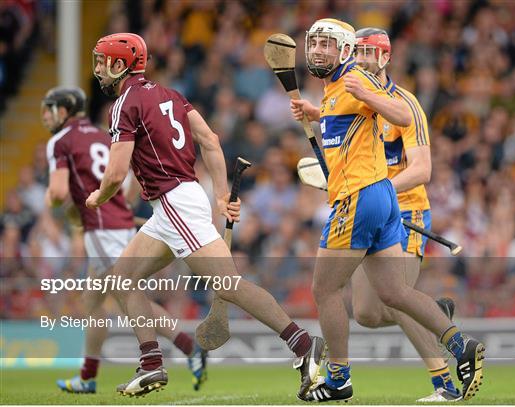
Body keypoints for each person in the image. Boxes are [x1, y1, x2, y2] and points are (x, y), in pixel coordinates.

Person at [87, 32, 325, 398]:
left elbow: (116, 174)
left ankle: (304, 346)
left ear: (120, 65)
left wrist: (97, 197)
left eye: (103, 62)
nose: (99, 70)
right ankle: (151, 365)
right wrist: (218, 194)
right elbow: (210, 140)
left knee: (229, 285)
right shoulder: (171, 96)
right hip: (178, 201)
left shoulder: (123, 105)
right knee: (122, 279)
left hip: (173, 203)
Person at [290, 18, 485, 402]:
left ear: (347, 51)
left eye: (328, 45)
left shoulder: (355, 82)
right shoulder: (336, 89)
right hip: (379, 199)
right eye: (315, 45)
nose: (318, 51)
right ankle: (459, 342)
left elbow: (402, 117)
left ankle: (338, 378)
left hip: (363, 198)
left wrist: (368, 93)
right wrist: (317, 114)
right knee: (391, 294)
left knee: (324, 289)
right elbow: (351, 124)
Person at [42, 86, 208, 393]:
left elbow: (57, 193)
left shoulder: (60, 141)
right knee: (92, 301)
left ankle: (187, 348)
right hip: (116, 224)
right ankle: (88, 377)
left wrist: (65, 209)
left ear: (64, 111)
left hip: (101, 230)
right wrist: (121, 210)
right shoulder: (104, 134)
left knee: (127, 295)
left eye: (50, 109)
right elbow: (129, 184)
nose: (46, 116)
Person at [349, 28, 461, 402]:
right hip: (370, 211)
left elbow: (421, 170)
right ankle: (434, 314)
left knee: (397, 298)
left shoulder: (405, 104)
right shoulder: (353, 105)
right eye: (358, 52)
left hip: (405, 209)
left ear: (385, 58)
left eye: (370, 52)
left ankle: (445, 386)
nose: (363, 59)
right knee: (366, 313)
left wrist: (375, 193)